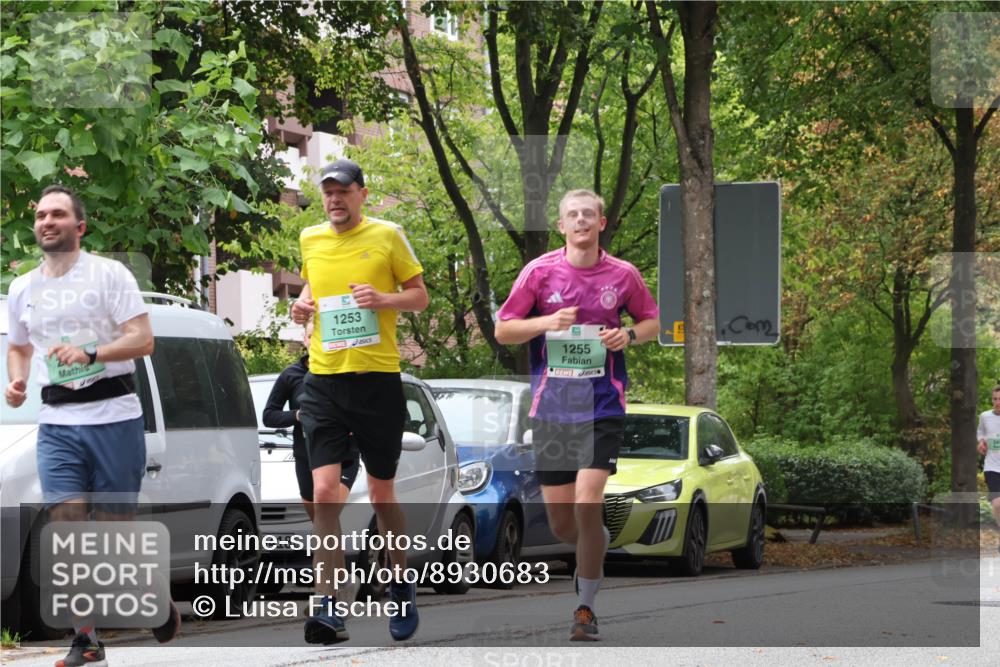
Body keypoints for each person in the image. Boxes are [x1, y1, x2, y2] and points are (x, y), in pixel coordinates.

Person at [4, 185, 180, 667]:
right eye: (40, 215)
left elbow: (143, 341)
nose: (46, 221)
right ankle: (86, 637)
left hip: (114, 416)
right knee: (67, 525)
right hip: (57, 420)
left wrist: (93, 353)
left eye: (57, 214)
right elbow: (19, 345)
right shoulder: (23, 288)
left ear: (79, 227)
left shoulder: (109, 275)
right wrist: (17, 380)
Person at [495, 189, 660, 641]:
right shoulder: (539, 272)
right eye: (574, 215)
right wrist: (546, 323)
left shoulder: (623, 274)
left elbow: (652, 321)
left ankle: (585, 608)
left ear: (601, 223)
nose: (582, 220)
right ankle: (596, 545)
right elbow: (504, 329)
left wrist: (628, 334)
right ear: (562, 226)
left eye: (590, 214)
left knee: (588, 502)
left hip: (602, 405)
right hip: (552, 409)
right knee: (563, 522)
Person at [290, 158, 428, 644]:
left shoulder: (388, 236)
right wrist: (301, 304)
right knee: (325, 494)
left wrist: (383, 300)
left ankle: (400, 583)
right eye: (327, 192)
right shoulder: (310, 239)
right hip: (324, 381)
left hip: (377, 383)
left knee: (381, 494)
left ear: (362, 195)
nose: (334, 200)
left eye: (343, 191)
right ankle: (329, 606)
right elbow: (314, 288)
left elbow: (419, 296)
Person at [262, 321, 360, 518]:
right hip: (305, 457)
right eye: (312, 336)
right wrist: (297, 415)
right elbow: (269, 416)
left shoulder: (345, 371)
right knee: (321, 523)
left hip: (343, 455)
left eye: (323, 336)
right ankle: (332, 549)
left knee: (327, 516)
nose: (317, 341)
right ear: (305, 340)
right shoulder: (290, 375)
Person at [976, 384, 1000, 547]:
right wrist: (981, 443)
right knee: (997, 504)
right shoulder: (985, 416)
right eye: (995, 399)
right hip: (992, 467)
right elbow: (980, 433)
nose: (998, 402)